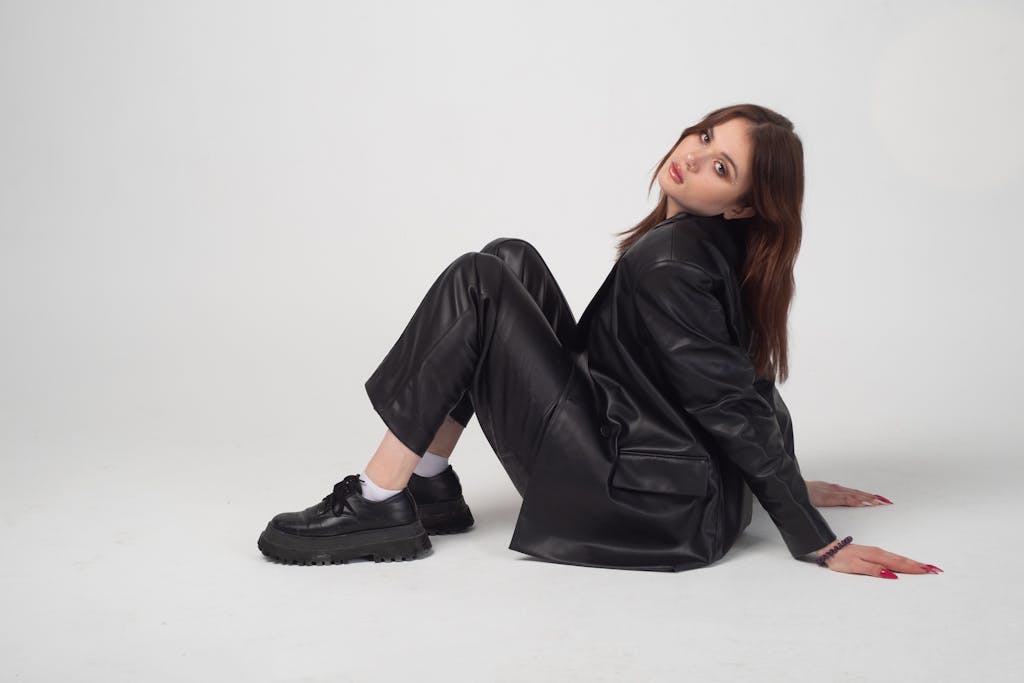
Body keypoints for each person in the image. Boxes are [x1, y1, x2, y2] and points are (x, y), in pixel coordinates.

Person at [257, 103, 943, 579]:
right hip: (659, 471)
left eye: (722, 167)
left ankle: (378, 502)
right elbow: (743, 376)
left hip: (640, 501)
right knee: (507, 258)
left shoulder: (672, 259)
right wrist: (781, 476)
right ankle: (430, 485)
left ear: (741, 206)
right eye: (705, 137)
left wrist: (812, 536)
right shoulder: (707, 247)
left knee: (478, 282)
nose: (693, 157)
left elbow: (731, 396)